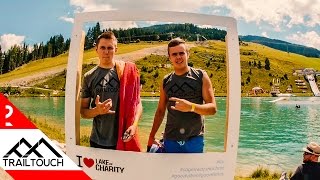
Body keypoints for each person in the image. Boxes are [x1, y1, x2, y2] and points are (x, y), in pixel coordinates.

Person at [147, 38, 217, 153]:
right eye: (174, 54)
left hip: (194, 140)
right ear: (169, 58)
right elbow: (160, 111)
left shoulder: (201, 76)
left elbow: (212, 109)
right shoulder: (165, 81)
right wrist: (151, 136)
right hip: (170, 140)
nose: (178, 57)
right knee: (169, 171)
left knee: (192, 171)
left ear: (187, 54)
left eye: (181, 53)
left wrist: (191, 107)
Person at [80, 31, 142, 151]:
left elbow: (138, 103)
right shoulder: (89, 76)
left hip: (123, 138)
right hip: (97, 141)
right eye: (102, 47)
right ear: (96, 49)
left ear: (116, 49)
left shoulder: (126, 72)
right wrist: (97, 111)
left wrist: (134, 126)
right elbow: (83, 112)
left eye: (110, 48)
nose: (106, 51)